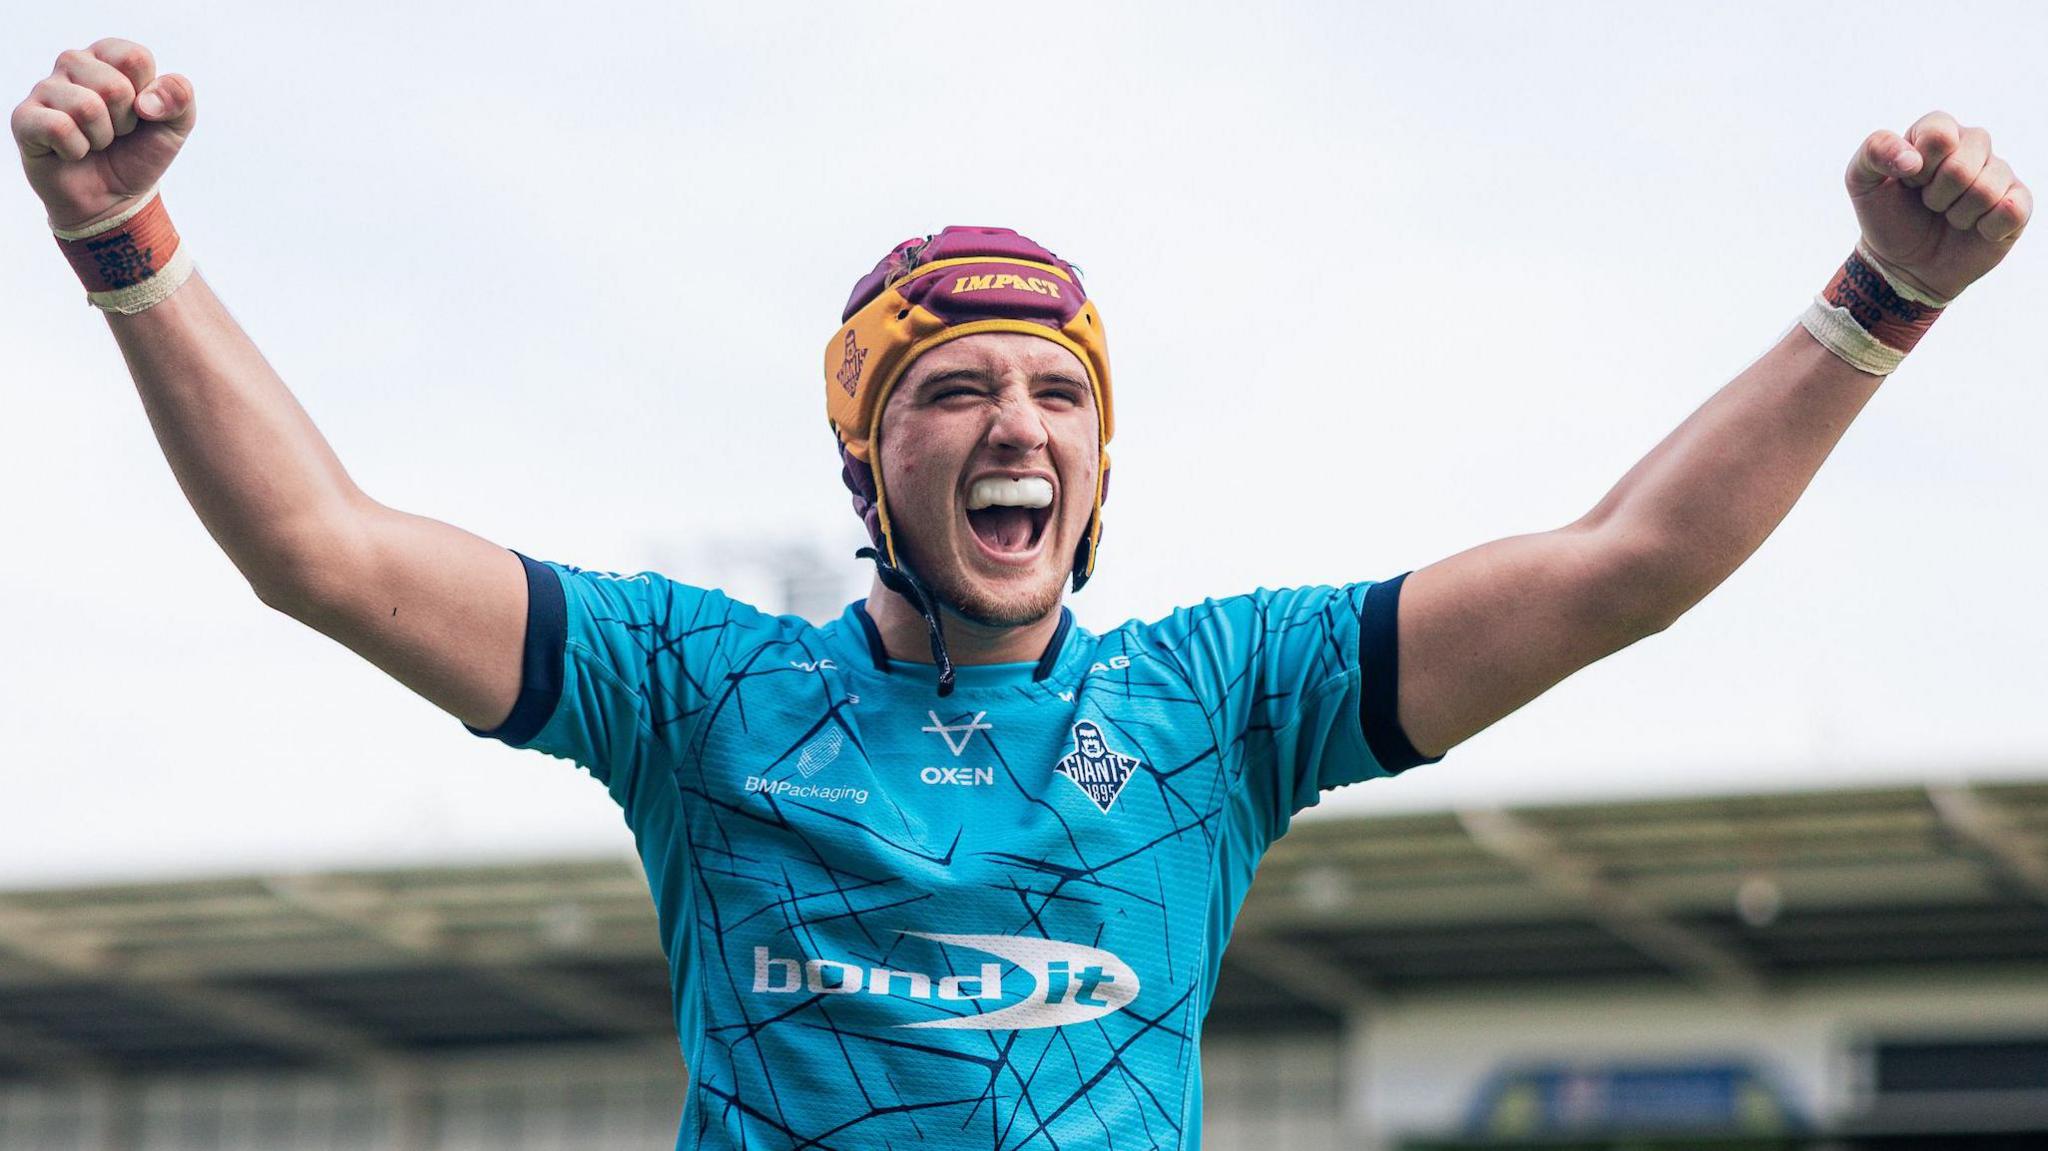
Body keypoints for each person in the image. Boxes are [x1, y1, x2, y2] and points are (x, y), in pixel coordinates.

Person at [13, 35, 2030, 1151]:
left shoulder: (1220, 702)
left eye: (1060, 394)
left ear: (1100, 461)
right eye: (955, 388)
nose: (1017, 425)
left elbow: (1623, 570)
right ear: (865, 455)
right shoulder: (695, 687)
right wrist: (128, 243)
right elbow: (324, 552)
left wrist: (1885, 296)